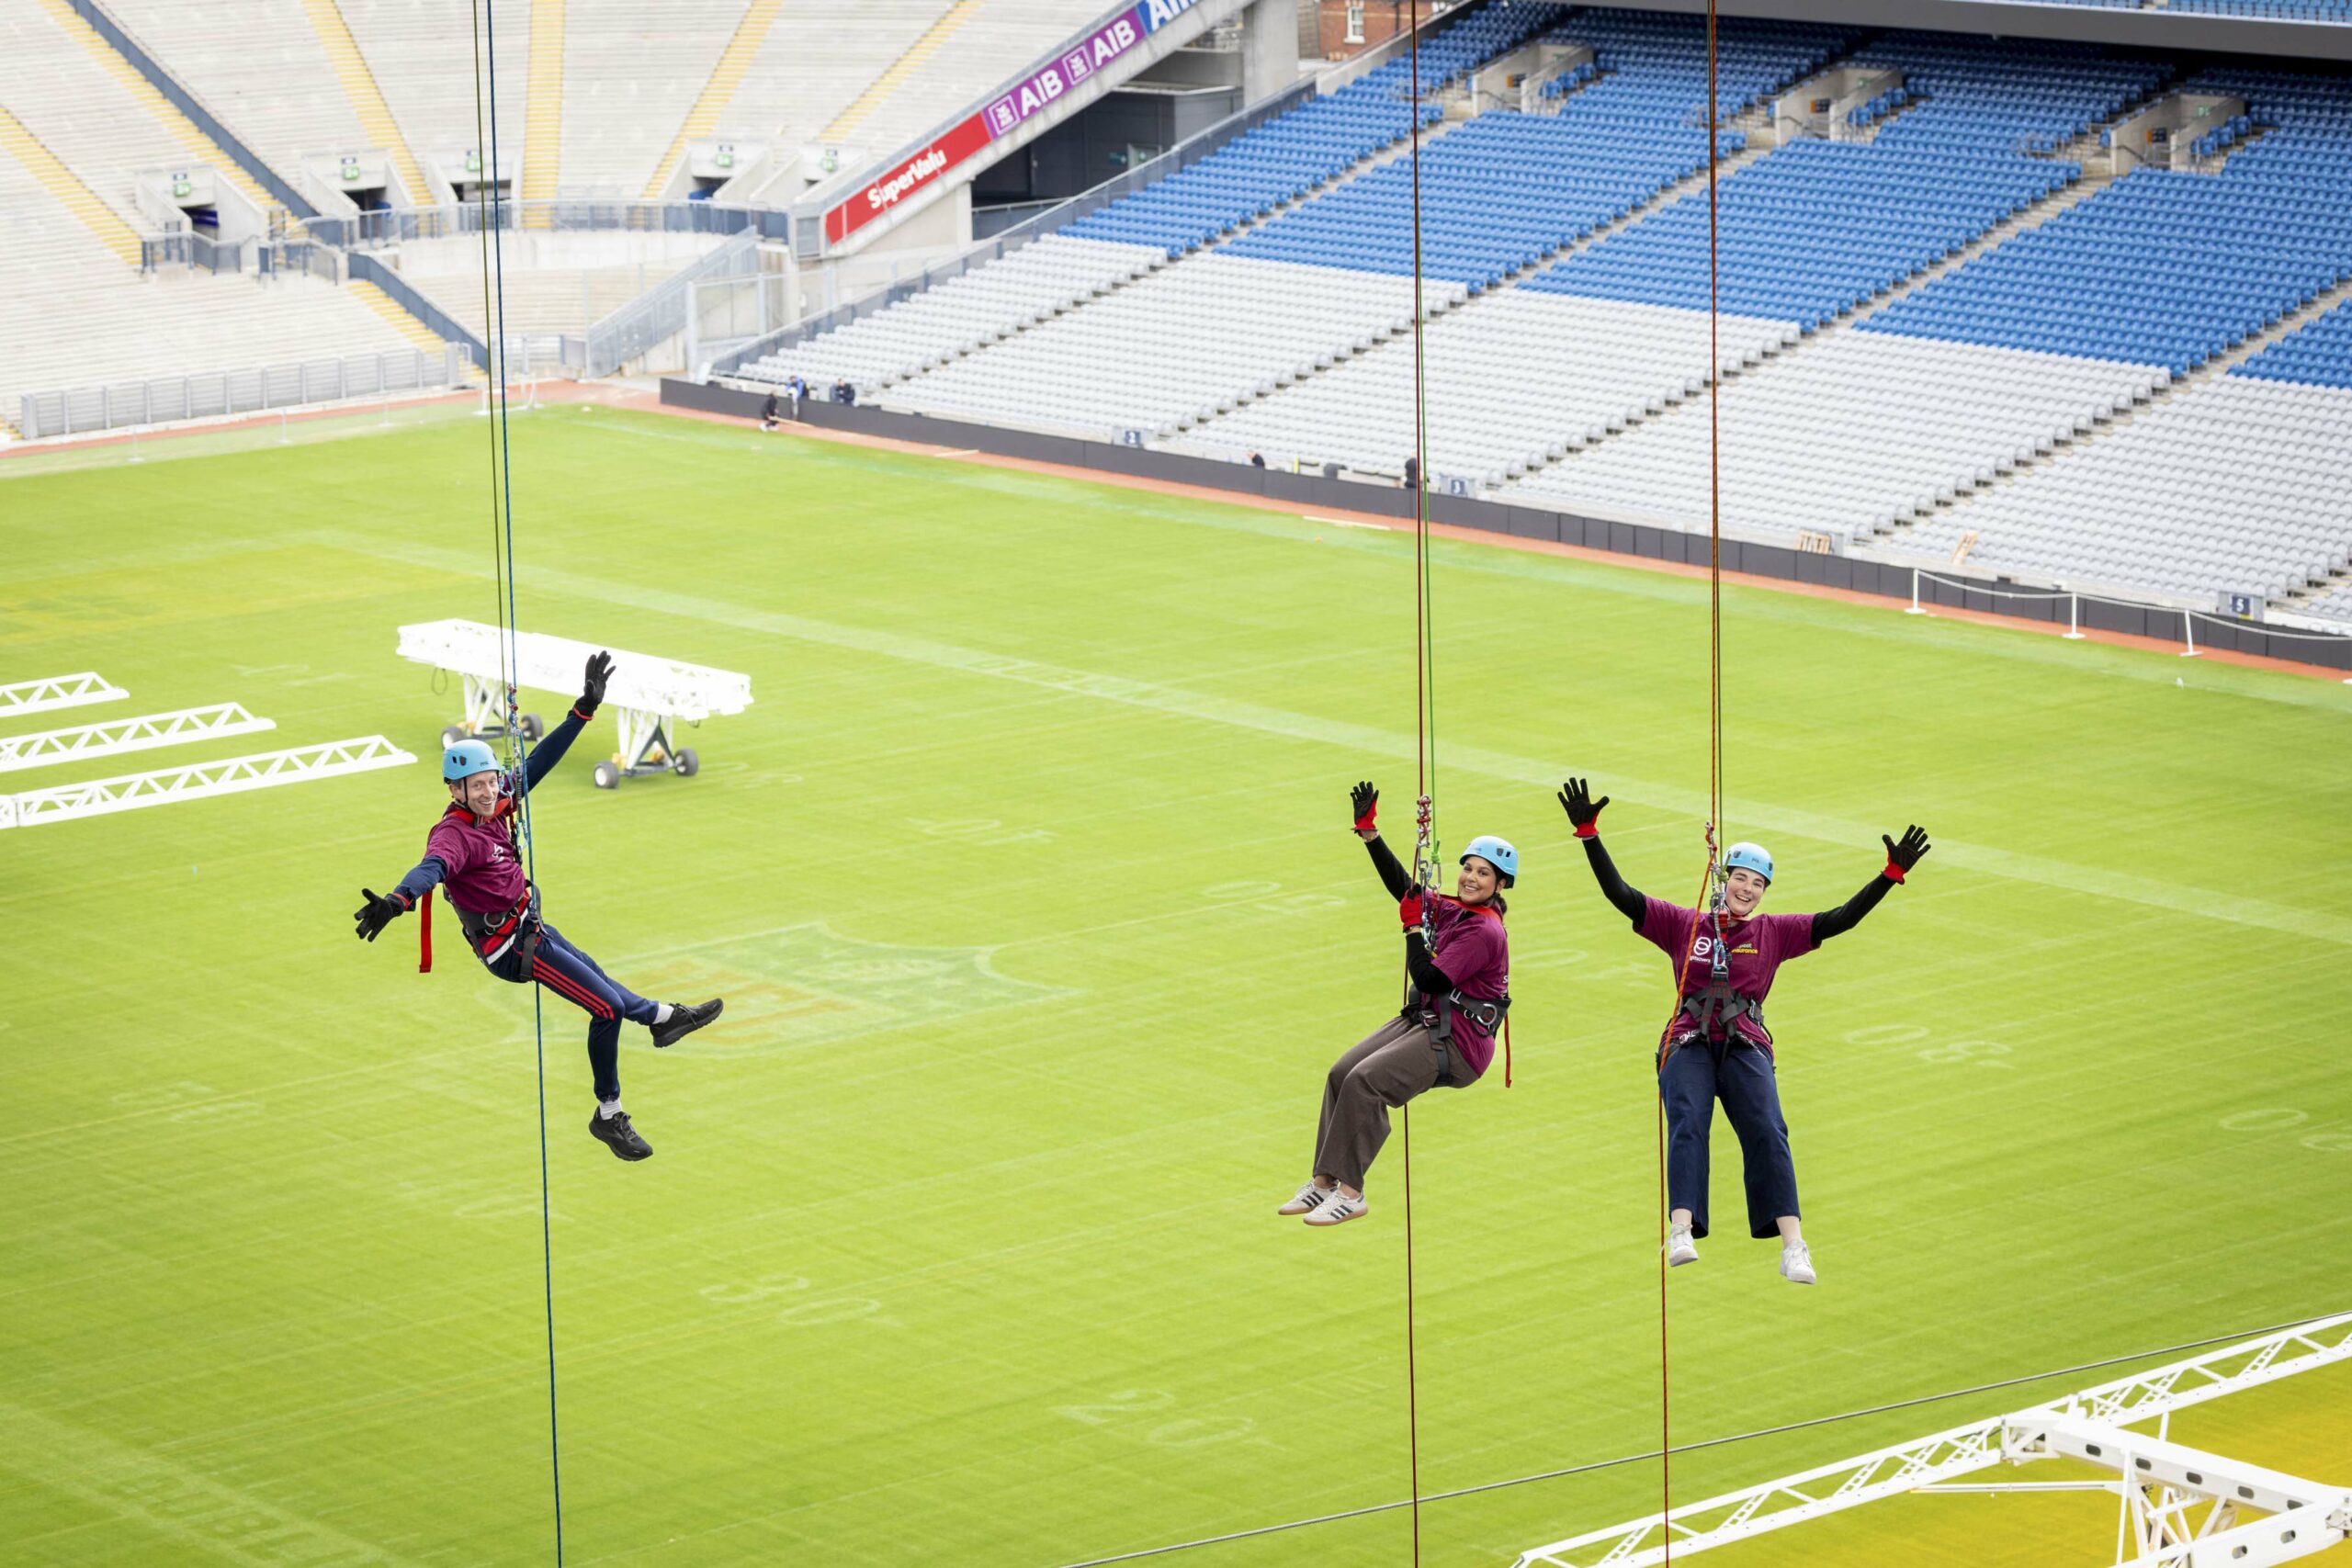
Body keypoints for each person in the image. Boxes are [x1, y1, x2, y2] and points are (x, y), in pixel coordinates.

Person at [352, 651, 724, 1162]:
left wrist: (583, 710)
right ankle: (609, 1115)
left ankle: (663, 1019)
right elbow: (431, 868)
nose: (487, 792)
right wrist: (397, 900)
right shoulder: (456, 835)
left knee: (602, 980)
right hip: (510, 946)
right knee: (606, 1007)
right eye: (476, 786)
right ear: (455, 789)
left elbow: (535, 766)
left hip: (528, 926)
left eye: (489, 782)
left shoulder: (498, 802)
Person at [1558, 777, 1929, 1283]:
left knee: (1768, 1128)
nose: (1748, 889)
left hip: (1744, 1044)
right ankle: (1681, 1229)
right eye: (1741, 878)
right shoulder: (1683, 923)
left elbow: (1841, 919)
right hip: (1688, 1039)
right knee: (1689, 1120)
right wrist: (1589, 834)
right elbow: (1622, 896)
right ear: (1723, 877)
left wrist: (1889, 875)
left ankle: (1794, 1245)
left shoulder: (1775, 932)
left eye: (1758, 883)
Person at [1278, 782, 1514, 1227]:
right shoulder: (1456, 909)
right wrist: (1370, 833)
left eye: (1483, 874)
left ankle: (1352, 1193)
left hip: (1458, 1043)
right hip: (1429, 1022)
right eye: (1468, 868)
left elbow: (1428, 977)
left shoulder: (1484, 932)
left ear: (1500, 885)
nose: (1470, 877)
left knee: (1366, 1081)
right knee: (1341, 1071)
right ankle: (1324, 1182)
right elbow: (1405, 890)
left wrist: (1411, 933)